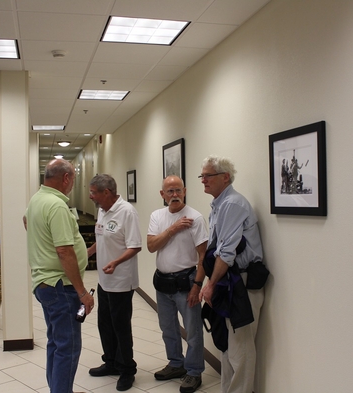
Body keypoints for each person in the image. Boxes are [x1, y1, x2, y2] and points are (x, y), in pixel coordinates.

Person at [24, 159, 94, 393]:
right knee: (68, 346)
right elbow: (64, 251)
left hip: (45, 285)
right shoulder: (56, 205)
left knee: (56, 343)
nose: (73, 183)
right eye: (73, 178)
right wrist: (82, 292)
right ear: (65, 178)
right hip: (60, 287)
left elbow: (26, 220)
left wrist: (41, 240)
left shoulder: (37, 199)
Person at [198, 155, 267, 393]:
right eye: (202, 176)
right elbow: (216, 251)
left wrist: (210, 283)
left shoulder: (232, 204)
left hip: (242, 284)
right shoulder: (218, 205)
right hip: (227, 281)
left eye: (208, 176)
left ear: (225, 177)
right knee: (227, 346)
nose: (203, 180)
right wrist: (212, 282)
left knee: (241, 348)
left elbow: (225, 252)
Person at [147, 175, 208, 393]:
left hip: (187, 281)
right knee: (168, 328)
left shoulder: (195, 218)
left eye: (178, 190)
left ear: (185, 191)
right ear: (162, 194)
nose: (174, 195)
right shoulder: (157, 216)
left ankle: (193, 372)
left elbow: (203, 256)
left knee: (192, 331)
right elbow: (151, 246)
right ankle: (176, 364)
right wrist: (173, 229)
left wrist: (197, 286)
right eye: (169, 191)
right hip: (163, 283)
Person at [86, 174, 142, 392]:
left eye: (93, 192)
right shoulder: (102, 209)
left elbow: (135, 246)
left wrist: (116, 262)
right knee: (105, 325)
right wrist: (87, 253)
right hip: (104, 280)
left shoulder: (127, 212)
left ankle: (127, 369)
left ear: (106, 192)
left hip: (121, 281)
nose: (91, 196)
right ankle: (111, 362)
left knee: (121, 328)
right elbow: (100, 238)